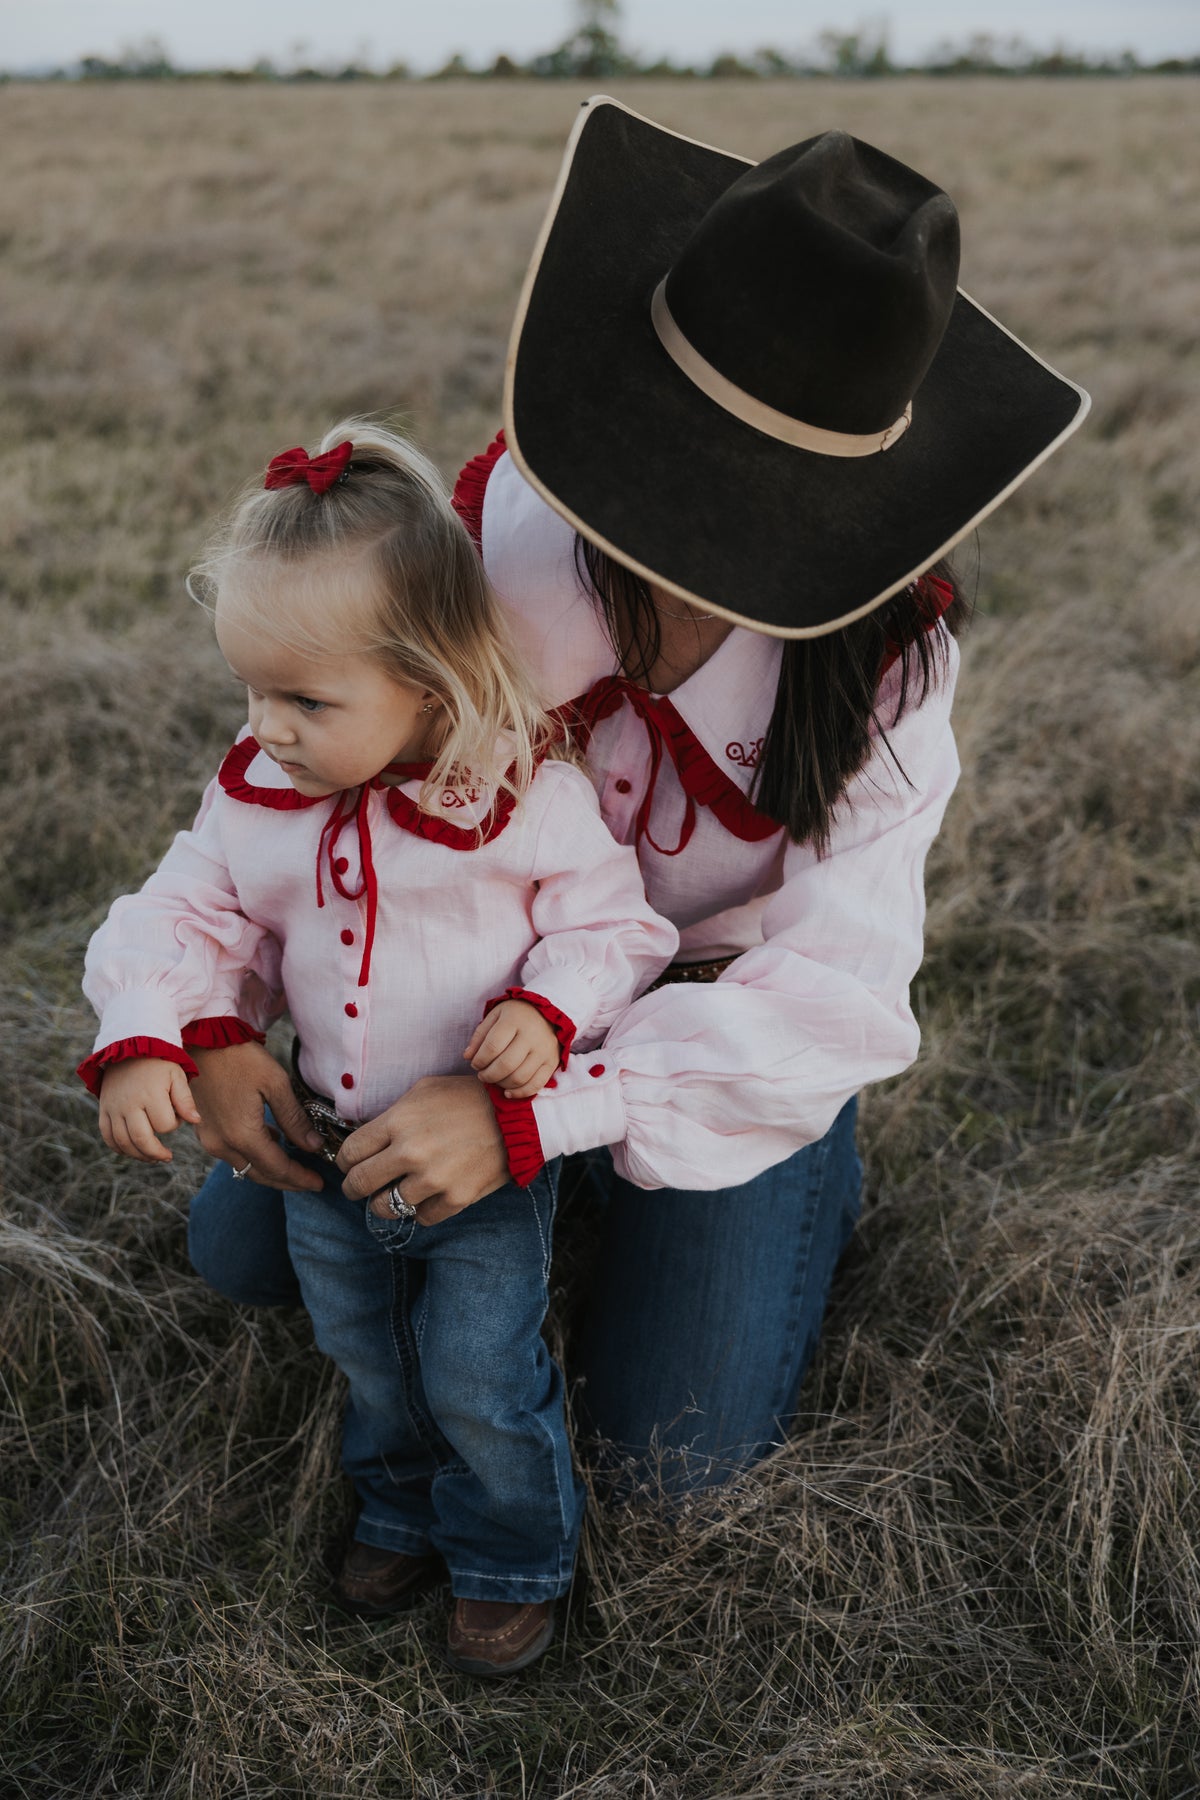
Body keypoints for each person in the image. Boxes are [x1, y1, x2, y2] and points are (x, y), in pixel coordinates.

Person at [181, 103, 1090, 1580]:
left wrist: (544, 1118)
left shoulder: (888, 672)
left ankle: (744, 1165)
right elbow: (297, 758)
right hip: (477, 963)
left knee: (669, 1462)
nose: (682, 529)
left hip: (714, 1010)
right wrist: (216, 1013)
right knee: (239, 1252)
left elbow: (834, 990)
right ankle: (554, 1185)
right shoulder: (499, 523)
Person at [77, 418, 679, 1675]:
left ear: (431, 680)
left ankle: (511, 1549)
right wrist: (151, 1033)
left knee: (473, 1363)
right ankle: (400, 1500)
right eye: (251, 691)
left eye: (306, 700)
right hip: (328, 1141)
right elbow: (181, 911)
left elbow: (617, 929)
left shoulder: (522, 799)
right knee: (364, 1349)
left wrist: (547, 1012)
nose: (269, 728)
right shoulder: (256, 794)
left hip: (479, 1159)